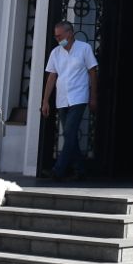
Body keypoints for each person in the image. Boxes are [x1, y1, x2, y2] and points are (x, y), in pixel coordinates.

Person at [40, 21, 99, 181]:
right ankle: (80, 169)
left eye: (59, 35)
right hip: (62, 99)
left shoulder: (84, 48)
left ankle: (58, 170)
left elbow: (92, 72)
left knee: (68, 132)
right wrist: (45, 101)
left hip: (79, 97)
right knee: (69, 134)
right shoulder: (56, 53)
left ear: (69, 33)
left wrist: (93, 96)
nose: (57, 39)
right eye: (56, 36)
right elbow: (51, 77)